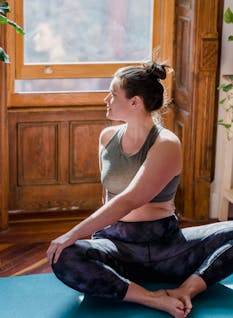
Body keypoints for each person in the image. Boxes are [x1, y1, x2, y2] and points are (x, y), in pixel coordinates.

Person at [47, 61, 233, 318]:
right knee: (62, 257)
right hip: (116, 247)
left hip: (167, 250)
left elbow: (130, 199)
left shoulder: (166, 143)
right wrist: (86, 243)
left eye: (113, 93)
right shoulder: (107, 138)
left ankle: (187, 290)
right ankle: (151, 299)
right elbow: (108, 198)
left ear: (134, 102)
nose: (106, 98)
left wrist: (72, 233)